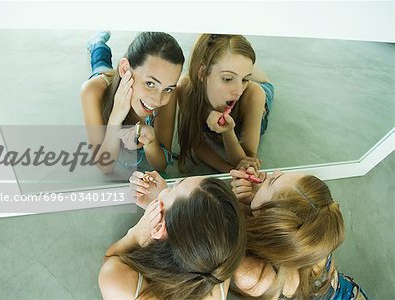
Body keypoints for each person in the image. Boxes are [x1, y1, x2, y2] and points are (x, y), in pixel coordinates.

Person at [98, 173, 246, 299]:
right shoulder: (219, 264)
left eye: (175, 186)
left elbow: (110, 260)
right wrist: (169, 211)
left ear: (158, 228)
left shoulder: (122, 284)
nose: (173, 183)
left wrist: (136, 235)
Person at [229, 168, 369, 299]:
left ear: (271, 220)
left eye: (272, 181)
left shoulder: (252, 274)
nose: (276, 171)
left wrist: (235, 205)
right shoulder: (318, 228)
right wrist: (258, 199)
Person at [81, 31, 184, 173]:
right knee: (100, 65)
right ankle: (97, 44)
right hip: (110, 83)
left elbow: (161, 166)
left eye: (168, 88)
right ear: (125, 70)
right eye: (150, 83)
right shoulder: (92, 90)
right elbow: (105, 166)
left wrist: (151, 141)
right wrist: (115, 119)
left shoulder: (168, 95)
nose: (158, 100)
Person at [177, 34, 274, 173]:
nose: (239, 91)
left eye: (245, 79)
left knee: (266, 83)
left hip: (262, 93)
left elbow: (246, 161)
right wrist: (231, 172)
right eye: (228, 79)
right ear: (202, 73)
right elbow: (198, 145)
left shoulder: (253, 95)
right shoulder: (185, 88)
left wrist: (228, 132)